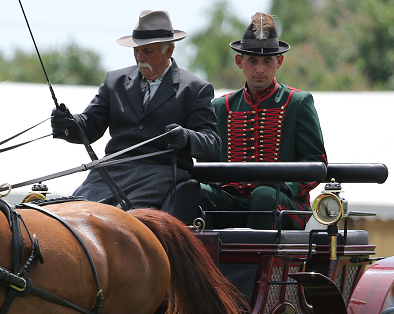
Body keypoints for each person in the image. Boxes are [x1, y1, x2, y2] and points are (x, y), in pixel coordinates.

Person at [50, 9, 221, 209]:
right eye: (136, 51)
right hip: (110, 171)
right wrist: (69, 123)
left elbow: (212, 142)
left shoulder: (194, 89)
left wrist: (187, 137)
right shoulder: (114, 82)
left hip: (161, 174)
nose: (140, 58)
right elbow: (90, 124)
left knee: (124, 220)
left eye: (147, 51)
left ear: (169, 50)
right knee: (74, 211)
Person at [198, 12, 327, 230]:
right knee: (196, 193)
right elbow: (205, 163)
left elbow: (316, 162)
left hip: (284, 205)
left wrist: (287, 187)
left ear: (279, 61)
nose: (259, 70)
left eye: (267, 61)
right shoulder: (222, 107)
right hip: (234, 202)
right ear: (239, 61)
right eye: (253, 61)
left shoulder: (296, 102)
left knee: (264, 195)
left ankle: (256, 263)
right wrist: (214, 180)